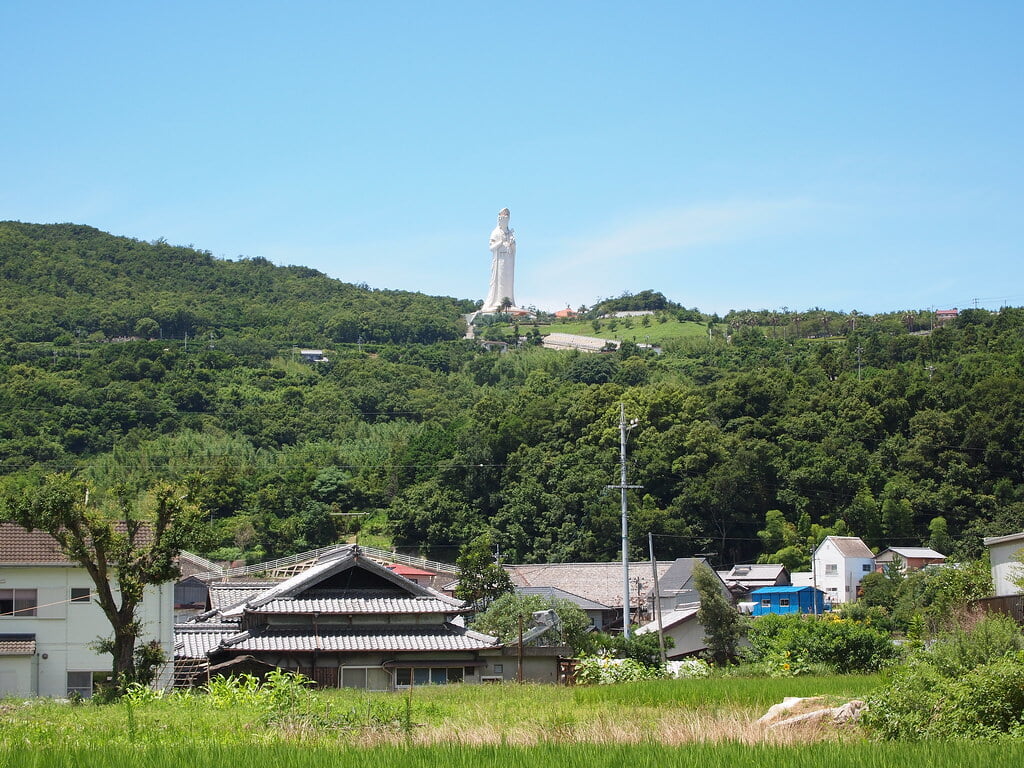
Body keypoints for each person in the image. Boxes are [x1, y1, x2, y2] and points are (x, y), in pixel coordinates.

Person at [482, 207, 516, 312]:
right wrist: (500, 242)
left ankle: (509, 302)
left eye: (507, 218)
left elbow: (514, 249)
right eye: (503, 218)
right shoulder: (495, 232)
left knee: (509, 281)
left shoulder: (510, 233)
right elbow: (491, 247)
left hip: (509, 260)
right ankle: (498, 302)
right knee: (500, 281)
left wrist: (512, 243)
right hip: (500, 259)